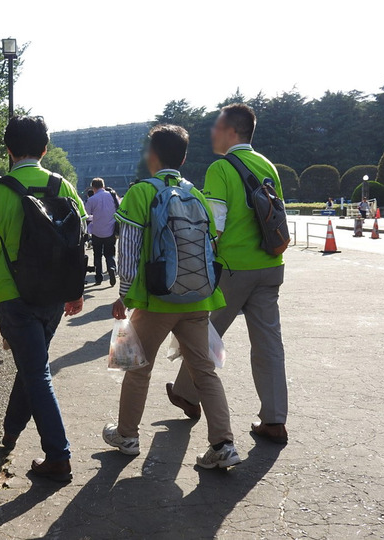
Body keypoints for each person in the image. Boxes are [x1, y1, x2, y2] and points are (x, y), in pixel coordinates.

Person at [102, 125, 240, 468]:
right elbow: (210, 246)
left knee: (136, 367)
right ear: (183, 157)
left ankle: (127, 435)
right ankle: (223, 445)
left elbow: (130, 249)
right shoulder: (197, 194)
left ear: (152, 155)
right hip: (197, 299)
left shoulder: (140, 193)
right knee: (204, 372)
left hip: (156, 300)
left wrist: (124, 294)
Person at [0, 116, 86, 482]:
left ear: (9, 150)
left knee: (35, 370)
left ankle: (58, 456)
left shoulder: (0, 192)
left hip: (14, 295)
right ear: (45, 149)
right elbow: (79, 242)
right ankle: (11, 431)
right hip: (53, 298)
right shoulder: (65, 187)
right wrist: (75, 292)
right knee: (34, 364)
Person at [166, 104, 289, 445]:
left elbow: (214, 225)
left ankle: (188, 395)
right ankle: (275, 419)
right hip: (270, 265)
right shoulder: (267, 165)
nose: (213, 133)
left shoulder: (221, 168)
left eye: (217, 127)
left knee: (201, 334)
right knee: (268, 344)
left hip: (234, 269)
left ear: (232, 131)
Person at [85, 177, 118, 286]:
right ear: (103, 185)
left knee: (97, 255)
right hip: (110, 230)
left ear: (93, 187)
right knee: (110, 253)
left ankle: (98, 277)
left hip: (96, 231)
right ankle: (112, 268)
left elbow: (87, 215)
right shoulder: (113, 197)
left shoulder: (92, 199)